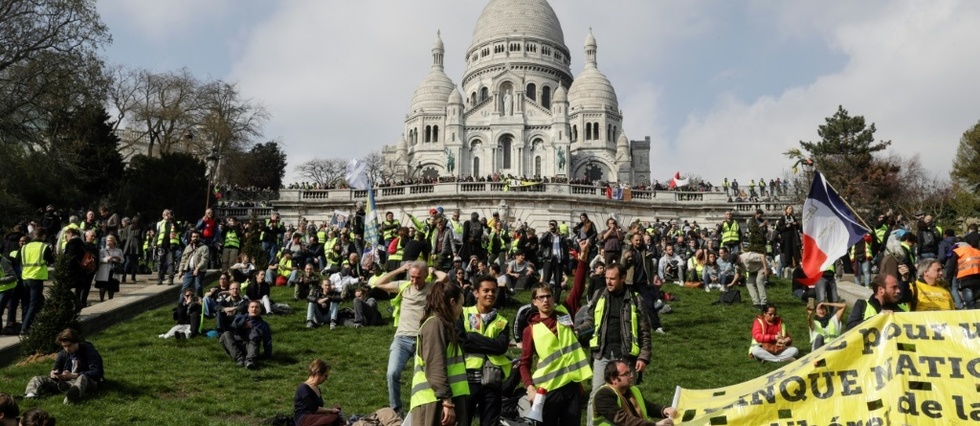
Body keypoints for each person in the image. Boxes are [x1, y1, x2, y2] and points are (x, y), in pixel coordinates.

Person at [519, 240, 591, 426]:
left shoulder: (564, 313)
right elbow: (524, 363)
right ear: (534, 302)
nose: (545, 301)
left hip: (572, 385)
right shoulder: (530, 330)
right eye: (540, 298)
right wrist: (530, 388)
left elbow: (577, 289)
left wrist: (582, 259)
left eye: (548, 296)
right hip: (548, 390)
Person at [581, 263, 653, 426]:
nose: (608, 282)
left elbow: (645, 331)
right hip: (602, 353)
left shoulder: (635, 299)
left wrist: (644, 357)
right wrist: (579, 330)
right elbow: (589, 320)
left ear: (623, 278)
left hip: (627, 356)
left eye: (612, 278)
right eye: (606, 278)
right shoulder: (599, 294)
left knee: (629, 396)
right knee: (596, 394)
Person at [373, 261, 448, 415]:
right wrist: (399, 269)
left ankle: (426, 408)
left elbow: (445, 277)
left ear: (425, 276)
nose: (414, 281)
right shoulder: (404, 285)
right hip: (402, 339)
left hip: (423, 339)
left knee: (425, 377)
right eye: (412, 277)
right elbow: (378, 283)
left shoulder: (431, 288)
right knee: (392, 373)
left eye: (418, 277)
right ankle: (396, 409)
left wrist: (433, 271)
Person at [409, 281, 469, 426]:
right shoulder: (435, 324)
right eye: (461, 304)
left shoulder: (442, 325)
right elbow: (435, 365)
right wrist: (447, 402)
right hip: (434, 403)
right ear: (452, 302)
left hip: (441, 401)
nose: (462, 309)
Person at [457, 276, 510, 426]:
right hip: (466, 379)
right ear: (475, 293)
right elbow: (462, 342)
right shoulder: (463, 313)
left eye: (493, 291)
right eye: (485, 290)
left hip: (492, 379)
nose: (490, 294)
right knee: (462, 421)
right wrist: (488, 344)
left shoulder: (502, 321)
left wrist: (473, 336)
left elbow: (501, 347)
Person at [24, 328, 104, 404]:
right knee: (37, 378)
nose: (67, 349)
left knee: (82, 377)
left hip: (87, 381)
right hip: (66, 382)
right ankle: (31, 394)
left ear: (76, 342)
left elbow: (96, 372)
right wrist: (54, 373)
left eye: (69, 345)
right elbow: (56, 368)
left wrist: (74, 375)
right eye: (64, 346)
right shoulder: (63, 353)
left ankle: (71, 397)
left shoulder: (88, 351)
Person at [591, 360, 676, 426]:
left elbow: (646, 406)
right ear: (614, 379)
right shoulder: (603, 396)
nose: (631, 375)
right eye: (626, 374)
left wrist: (663, 410)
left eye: (630, 372)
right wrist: (655, 424)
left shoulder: (632, 389)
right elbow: (623, 420)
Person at [19, 228, 55, 335]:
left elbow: (18, 260)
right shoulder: (44, 247)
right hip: (36, 278)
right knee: (33, 304)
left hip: (25, 277)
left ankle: (34, 323)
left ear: (34, 235)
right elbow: (52, 260)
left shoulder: (25, 247)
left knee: (30, 303)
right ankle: (24, 328)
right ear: (43, 236)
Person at [219, 300, 272, 370]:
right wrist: (242, 324)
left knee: (255, 333)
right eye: (252, 307)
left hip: (251, 347)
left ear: (260, 310)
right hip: (236, 346)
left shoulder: (263, 325)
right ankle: (239, 359)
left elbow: (267, 341)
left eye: (257, 307)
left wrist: (267, 355)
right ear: (248, 309)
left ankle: (249, 361)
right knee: (226, 334)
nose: (254, 309)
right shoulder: (240, 317)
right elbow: (233, 326)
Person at [293, 359, 343, 426]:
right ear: (318, 373)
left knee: (335, 417)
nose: (326, 378)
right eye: (325, 375)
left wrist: (332, 411)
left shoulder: (317, 388)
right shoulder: (303, 388)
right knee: (332, 418)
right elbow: (314, 409)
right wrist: (330, 410)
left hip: (315, 417)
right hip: (304, 419)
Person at [945, 241, 980, 309]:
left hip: (965, 278)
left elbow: (951, 267)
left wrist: (948, 281)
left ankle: (972, 317)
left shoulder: (958, 251)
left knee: (970, 302)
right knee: (977, 301)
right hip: (978, 279)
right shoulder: (977, 251)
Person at [177, 230, 209, 299]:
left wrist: (197, 268)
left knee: (198, 287)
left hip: (200, 270)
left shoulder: (204, 247)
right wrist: (180, 270)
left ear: (199, 237)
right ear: (191, 238)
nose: (195, 238)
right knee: (184, 288)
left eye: (197, 237)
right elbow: (183, 259)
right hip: (188, 270)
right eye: (193, 236)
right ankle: (181, 304)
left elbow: (204, 260)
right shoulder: (188, 247)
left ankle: (200, 302)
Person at [94, 235, 123, 303]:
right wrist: (107, 259)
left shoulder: (119, 250)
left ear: (114, 241)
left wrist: (118, 259)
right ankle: (101, 300)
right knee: (102, 286)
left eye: (110, 240)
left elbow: (122, 259)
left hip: (113, 270)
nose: (108, 242)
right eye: (107, 240)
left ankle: (110, 300)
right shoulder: (102, 250)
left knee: (112, 287)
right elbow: (100, 259)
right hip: (104, 270)